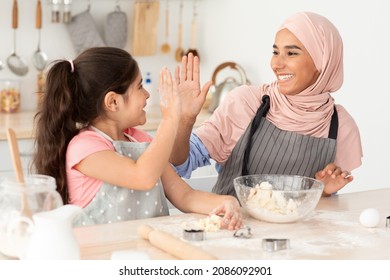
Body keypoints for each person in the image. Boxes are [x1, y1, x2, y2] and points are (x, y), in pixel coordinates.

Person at [32, 47, 242, 229]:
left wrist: (225, 201)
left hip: (144, 251)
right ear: (113, 101)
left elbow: (184, 195)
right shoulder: (84, 147)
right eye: (140, 86)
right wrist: (170, 118)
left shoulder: (140, 140)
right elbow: (142, 177)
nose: (147, 95)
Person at [170, 12, 363, 197]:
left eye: (291, 53)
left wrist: (326, 191)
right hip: (233, 226)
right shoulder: (246, 102)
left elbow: (318, 207)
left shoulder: (340, 125)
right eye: (276, 52)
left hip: (299, 231)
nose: (276, 64)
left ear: (324, 60)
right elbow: (180, 162)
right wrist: (185, 120)